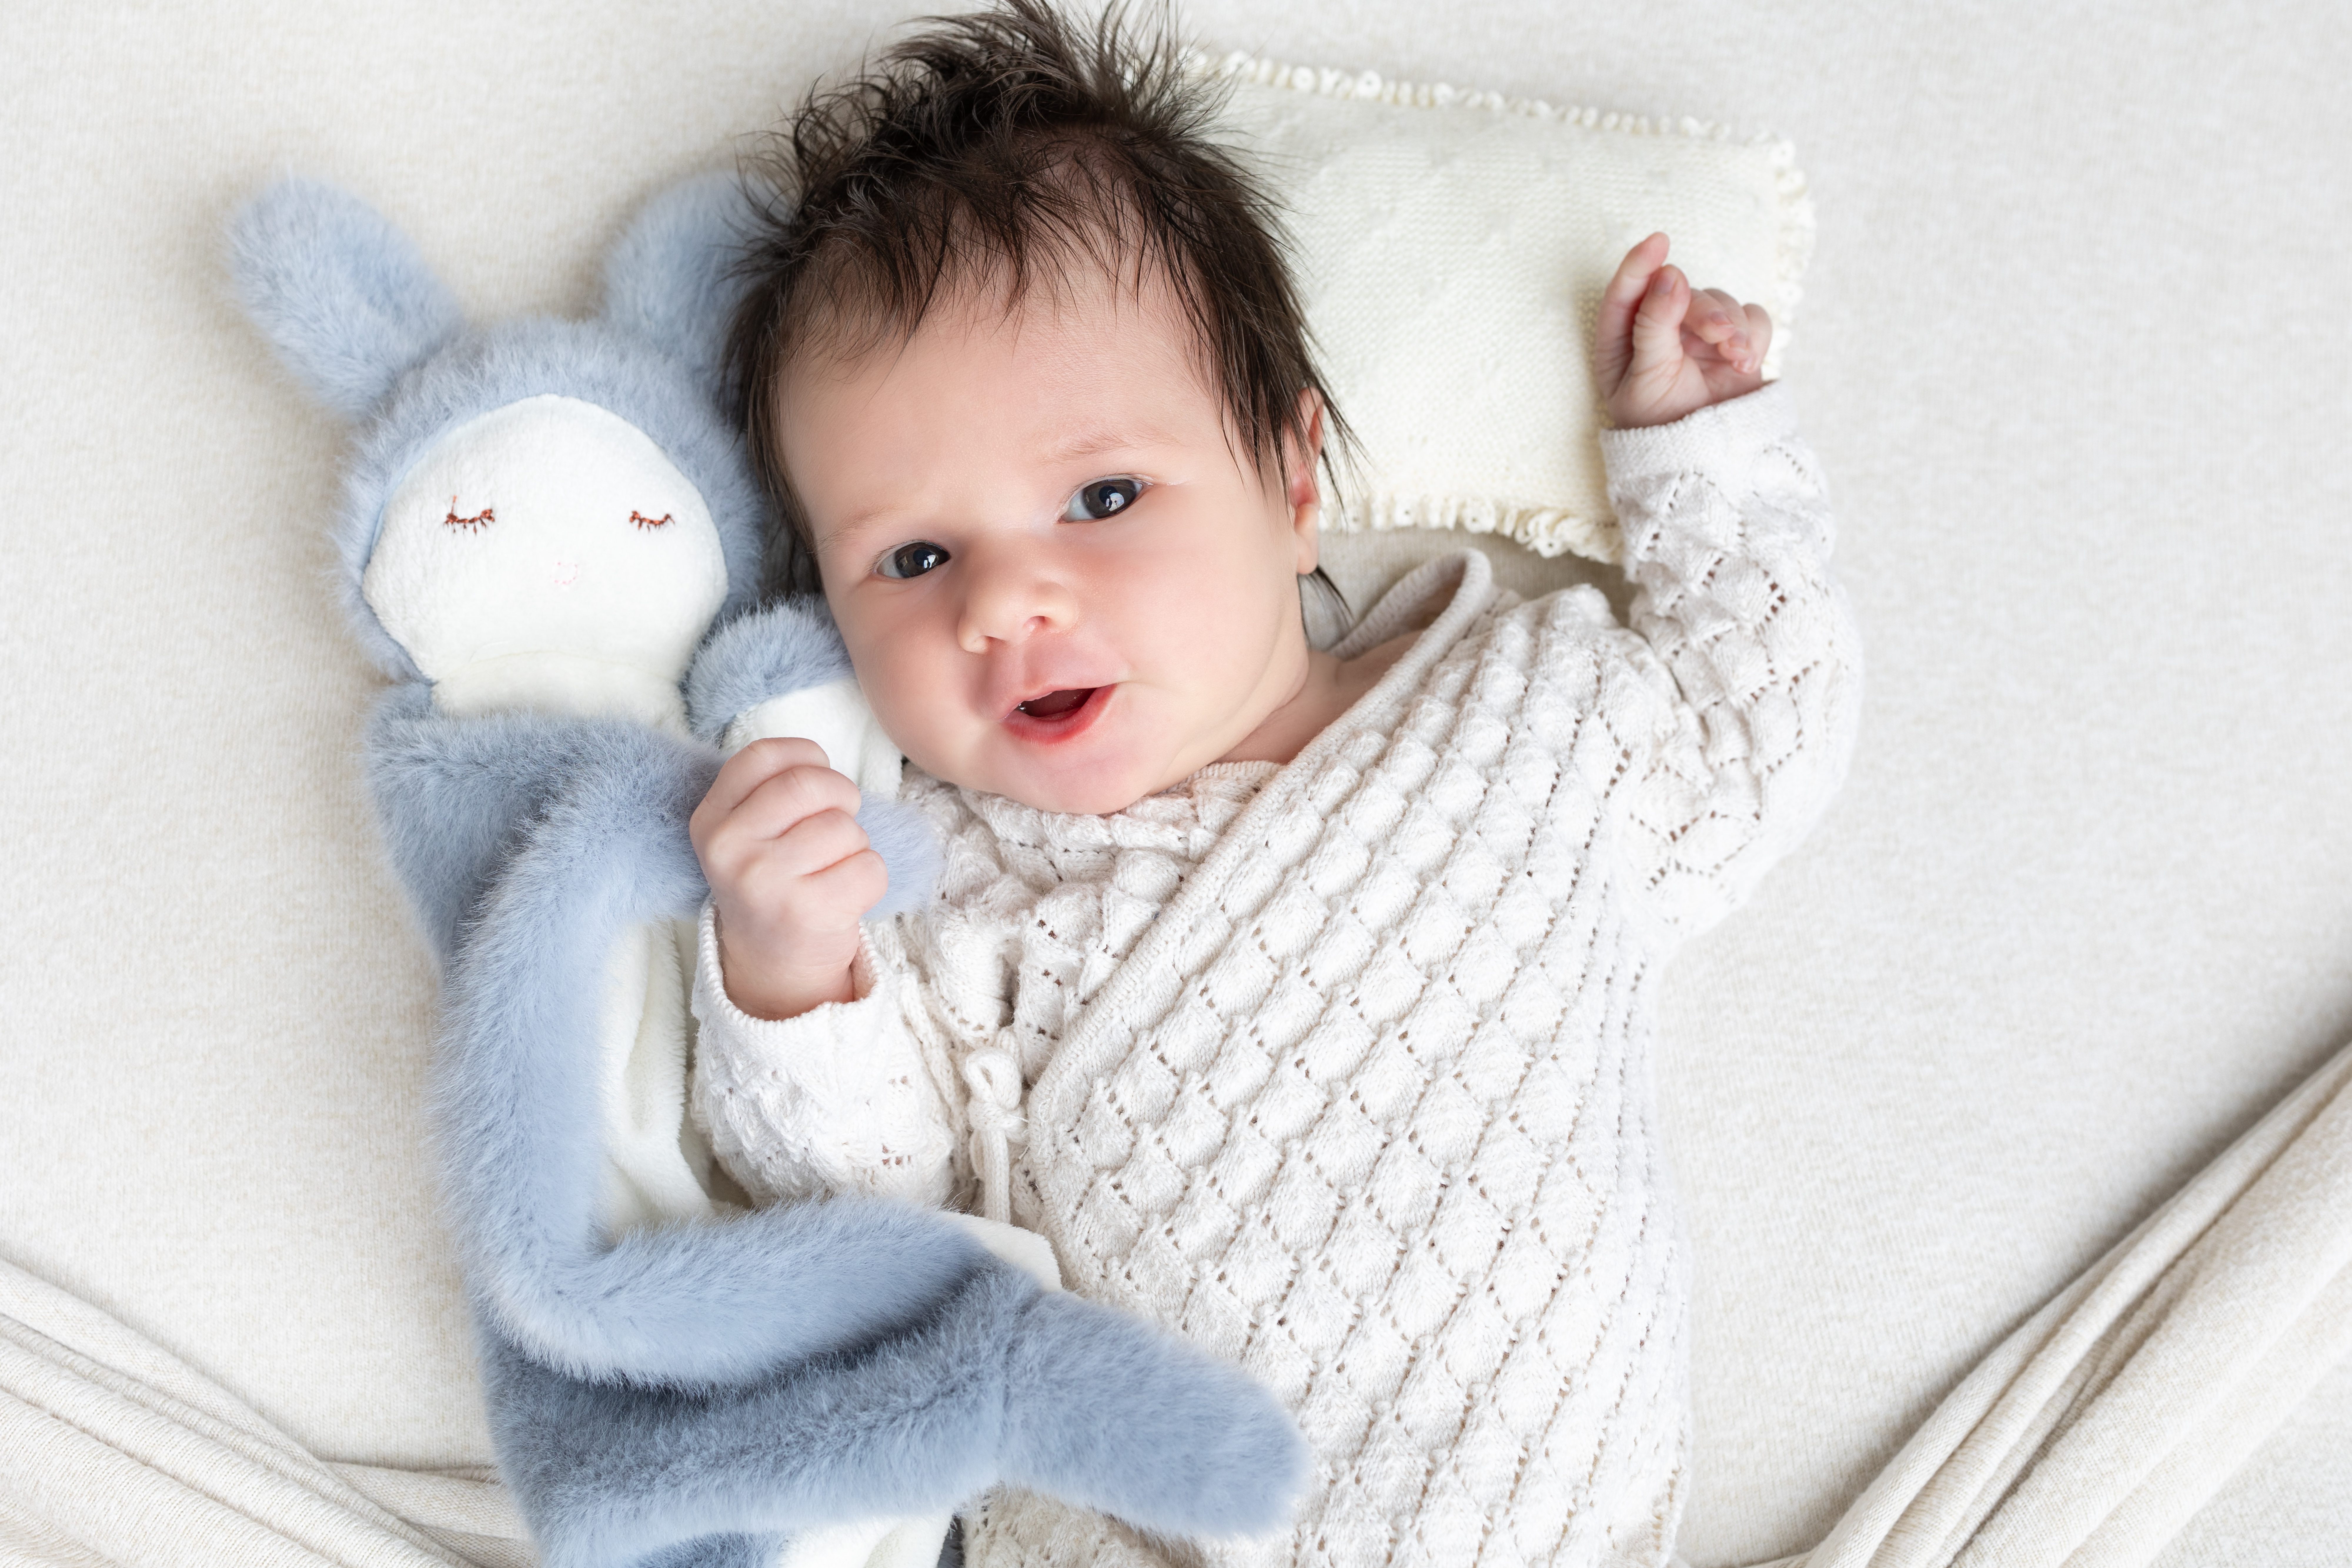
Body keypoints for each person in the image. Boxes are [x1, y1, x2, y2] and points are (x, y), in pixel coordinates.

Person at [687, 1, 1860, 1561]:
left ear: (1296, 482)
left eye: (1102, 496)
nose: (1006, 604)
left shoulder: (1511, 714)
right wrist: (789, 967)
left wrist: (1699, 466)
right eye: (915, 556)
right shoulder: (945, 870)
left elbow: (1752, 729)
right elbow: (868, 1204)